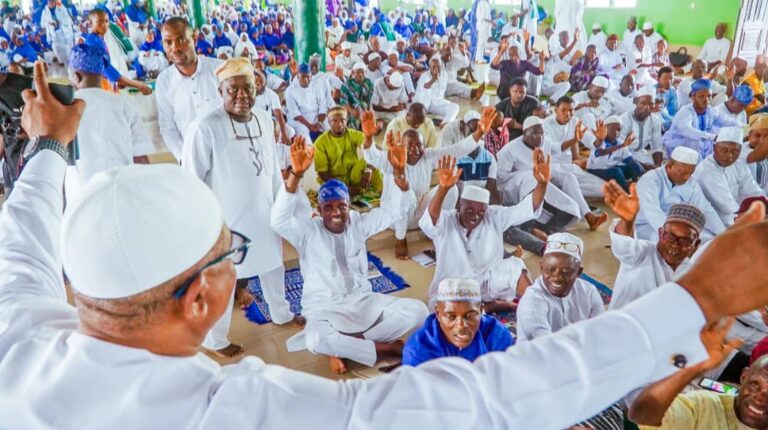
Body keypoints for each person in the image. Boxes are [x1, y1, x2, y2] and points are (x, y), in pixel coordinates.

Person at [8, 63, 768, 427]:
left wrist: (46, 148)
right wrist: (693, 301)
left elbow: (23, 241)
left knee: (414, 316)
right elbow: (485, 400)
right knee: (358, 334)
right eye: (228, 256)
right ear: (202, 299)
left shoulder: (19, 339)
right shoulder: (229, 411)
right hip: (334, 314)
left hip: (370, 303)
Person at [273, 134, 427, 374]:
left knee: (418, 311)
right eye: (329, 207)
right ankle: (384, 348)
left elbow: (392, 211)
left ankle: (348, 347)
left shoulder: (357, 224)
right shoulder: (308, 232)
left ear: (348, 206)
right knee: (315, 339)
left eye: (341, 206)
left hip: (363, 301)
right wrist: (296, 174)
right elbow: (278, 221)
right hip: (325, 307)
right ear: (319, 210)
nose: (336, 213)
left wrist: (398, 171)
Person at [421, 153, 546, 312]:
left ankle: (536, 307)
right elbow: (430, 220)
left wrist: (542, 183)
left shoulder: (493, 215)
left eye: (481, 212)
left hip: (486, 283)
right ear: (459, 206)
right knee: (440, 311)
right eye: (469, 210)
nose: (475, 216)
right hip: (455, 288)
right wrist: (443, 189)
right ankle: (493, 306)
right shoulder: (446, 220)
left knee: (515, 266)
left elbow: (528, 208)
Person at [365, 108, 494, 259]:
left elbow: (456, 150)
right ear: (402, 146)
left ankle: (433, 230)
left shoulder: (427, 156)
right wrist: (368, 137)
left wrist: (479, 132)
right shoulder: (392, 157)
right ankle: (400, 239)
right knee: (404, 191)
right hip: (395, 219)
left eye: (419, 145)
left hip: (419, 215)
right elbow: (372, 157)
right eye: (410, 145)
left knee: (451, 189)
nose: (415, 149)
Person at [630, 328, 766, 430]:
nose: (760, 399)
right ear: (744, 377)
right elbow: (642, 415)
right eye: (755, 385)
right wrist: (689, 372)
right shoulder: (704, 406)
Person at [65, 43, 152, 197]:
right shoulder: (124, 105)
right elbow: (140, 158)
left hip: (82, 196)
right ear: (102, 75)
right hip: (123, 191)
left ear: (76, 76)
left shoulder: (66, 108)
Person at [498, 116, 608, 234]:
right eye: (536, 134)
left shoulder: (543, 141)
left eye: (542, 133)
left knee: (567, 176)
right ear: (525, 133)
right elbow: (501, 180)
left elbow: (557, 147)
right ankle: (545, 227)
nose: (540, 137)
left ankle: (589, 216)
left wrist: (574, 140)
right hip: (516, 186)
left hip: (539, 177)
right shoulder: (510, 150)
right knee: (533, 177)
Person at [604, 182, 703, 311]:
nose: (675, 244)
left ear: (695, 245)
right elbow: (624, 246)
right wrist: (627, 221)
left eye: (684, 241)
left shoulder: (693, 273)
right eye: (670, 236)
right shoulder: (642, 254)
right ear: (660, 233)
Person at [402, 278, 513, 366]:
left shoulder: (498, 335)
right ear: (438, 314)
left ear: (480, 310)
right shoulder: (417, 350)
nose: (461, 325)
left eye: (470, 316)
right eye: (451, 317)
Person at [517, 231, 604, 342]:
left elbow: (601, 328)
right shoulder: (532, 302)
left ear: (578, 272)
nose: (557, 277)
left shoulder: (589, 291)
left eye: (566, 272)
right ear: (541, 267)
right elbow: (546, 346)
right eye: (550, 270)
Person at [156, 17, 223, 161]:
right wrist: (184, 159)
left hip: (225, 154)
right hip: (191, 158)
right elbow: (168, 127)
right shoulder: (164, 81)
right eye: (168, 42)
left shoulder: (219, 70)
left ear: (194, 39)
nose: (175, 48)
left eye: (181, 40)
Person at [635, 146, 726, 242]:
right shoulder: (650, 180)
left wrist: (723, 233)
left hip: (676, 225)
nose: (687, 177)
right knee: (665, 241)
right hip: (646, 225)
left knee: (709, 238)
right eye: (682, 172)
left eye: (691, 173)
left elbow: (705, 209)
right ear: (669, 165)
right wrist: (676, 235)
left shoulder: (691, 182)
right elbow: (653, 213)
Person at [694, 126, 765, 227]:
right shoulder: (706, 170)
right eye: (724, 150)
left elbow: (754, 191)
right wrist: (752, 216)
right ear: (714, 148)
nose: (730, 156)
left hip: (736, 215)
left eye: (735, 151)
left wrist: (764, 205)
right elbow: (727, 205)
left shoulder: (739, 165)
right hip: (712, 221)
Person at [542, 95, 605, 198]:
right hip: (552, 167)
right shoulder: (545, 124)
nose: (568, 114)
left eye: (571, 110)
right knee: (572, 186)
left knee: (604, 188)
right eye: (564, 110)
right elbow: (552, 148)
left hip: (569, 166)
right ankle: (567, 191)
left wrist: (600, 139)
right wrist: (574, 140)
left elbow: (592, 143)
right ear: (556, 110)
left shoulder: (575, 121)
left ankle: (566, 190)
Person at [663, 79, 741, 159]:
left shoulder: (710, 111)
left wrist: (741, 127)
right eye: (701, 96)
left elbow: (727, 121)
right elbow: (689, 132)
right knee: (699, 142)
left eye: (709, 96)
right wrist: (712, 137)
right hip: (677, 152)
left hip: (697, 151)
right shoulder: (685, 112)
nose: (706, 99)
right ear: (693, 97)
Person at [313, 106, 382, 197]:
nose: (339, 123)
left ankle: (382, 194)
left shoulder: (353, 134)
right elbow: (322, 173)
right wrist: (344, 188)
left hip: (352, 175)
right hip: (332, 180)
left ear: (347, 120)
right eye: (334, 121)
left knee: (373, 159)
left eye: (342, 120)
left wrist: (368, 170)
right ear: (329, 122)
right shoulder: (320, 142)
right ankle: (356, 190)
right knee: (332, 198)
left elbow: (369, 148)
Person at [84, 9, 152, 96]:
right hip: (98, 88)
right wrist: (139, 85)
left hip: (104, 84)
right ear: (90, 23)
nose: (104, 25)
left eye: (106, 21)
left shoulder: (98, 39)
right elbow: (109, 71)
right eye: (100, 22)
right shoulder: (93, 42)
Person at [587, 115, 644, 192]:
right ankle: (626, 193)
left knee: (635, 167)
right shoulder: (598, 141)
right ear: (605, 128)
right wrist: (622, 146)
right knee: (616, 171)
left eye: (618, 129)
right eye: (613, 128)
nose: (616, 132)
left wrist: (639, 167)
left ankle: (639, 190)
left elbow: (629, 159)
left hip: (612, 169)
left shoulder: (620, 141)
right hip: (596, 170)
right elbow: (601, 152)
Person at [617, 85, 664, 169]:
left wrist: (658, 166)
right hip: (621, 157)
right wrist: (645, 166)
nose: (647, 108)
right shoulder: (624, 120)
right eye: (643, 103)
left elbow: (657, 145)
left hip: (640, 154)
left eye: (651, 104)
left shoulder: (655, 120)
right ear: (635, 101)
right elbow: (620, 150)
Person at [285, 63, 329, 142]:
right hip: (300, 120)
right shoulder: (290, 90)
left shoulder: (316, 86)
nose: (306, 79)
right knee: (304, 135)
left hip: (316, 116)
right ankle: (310, 149)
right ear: (298, 76)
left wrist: (319, 122)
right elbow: (295, 113)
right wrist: (309, 125)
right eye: (303, 77)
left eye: (308, 77)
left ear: (311, 76)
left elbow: (323, 105)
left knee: (329, 127)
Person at [414, 57, 459, 127]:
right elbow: (426, 86)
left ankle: (445, 123)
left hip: (438, 103)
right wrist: (433, 80)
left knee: (455, 107)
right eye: (433, 67)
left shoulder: (444, 75)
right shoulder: (424, 76)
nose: (436, 69)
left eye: (438, 67)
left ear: (441, 67)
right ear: (429, 67)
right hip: (424, 104)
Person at [572, 76, 613, 144]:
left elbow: (604, 117)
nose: (600, 94)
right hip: (576, 127)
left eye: (603, 92)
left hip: (594, 130)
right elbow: (570, 107)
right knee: (588, 115)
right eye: (597, 91)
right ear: (590, 86)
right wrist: (585, 104)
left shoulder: (605, 101)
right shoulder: (579, 96)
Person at [340, 62, 374, 130]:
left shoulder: (368, 83)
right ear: (353, 73)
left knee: (364, 107)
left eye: (362, 72)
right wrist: (352, 111)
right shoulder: (347, 84)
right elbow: (343, 101)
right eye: (358, 72)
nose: (360, 74)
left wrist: (367, 112)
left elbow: (368, 100)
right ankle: (352, 129)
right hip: (349, 107)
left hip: (363, 108)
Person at [743, 114, 768, 193]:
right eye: (757, 135)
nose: (761, 140)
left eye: (766, 136)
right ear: (749, 135)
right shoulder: (741, 153)